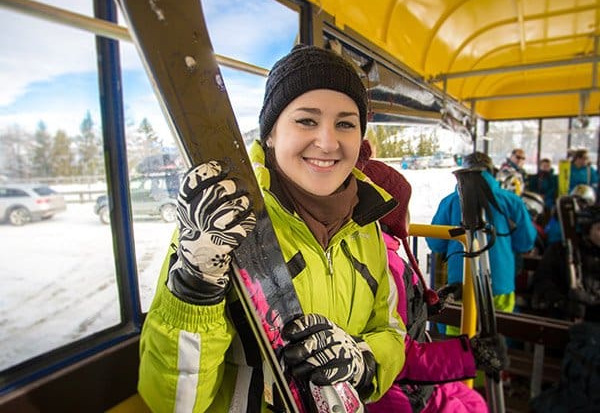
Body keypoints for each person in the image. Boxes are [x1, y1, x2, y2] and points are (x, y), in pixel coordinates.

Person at [137, 44, 406, 412]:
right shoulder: (221, 225)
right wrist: (196, 286)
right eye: (306, 120)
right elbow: (172, 404)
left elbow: (391, 332)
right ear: (271, 134)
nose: (327, 142)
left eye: (345, 123)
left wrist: (362, 360)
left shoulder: (367, 226)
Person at [357, 144, 507, 413]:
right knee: (472, 407)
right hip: (400, 390)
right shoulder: (382, 264)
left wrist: (423, 304)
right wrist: (466, 355)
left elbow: (395, 314)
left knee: (472, 401)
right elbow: (394, 353)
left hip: (412, 376)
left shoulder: (388, 255)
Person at [426, 152, 537, 324]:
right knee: (497, 333)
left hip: (460, 284)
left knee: (459, 337)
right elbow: (525, 242)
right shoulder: (512, 201)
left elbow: (435, 243)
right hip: (500, 283)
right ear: (492, 172)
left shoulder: (450, 202)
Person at [531, 204, 600, 322]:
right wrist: (562, 303)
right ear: (588, 229)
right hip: (565, 319)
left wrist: (591, 303)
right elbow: (543, 281)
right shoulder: (563, 251)